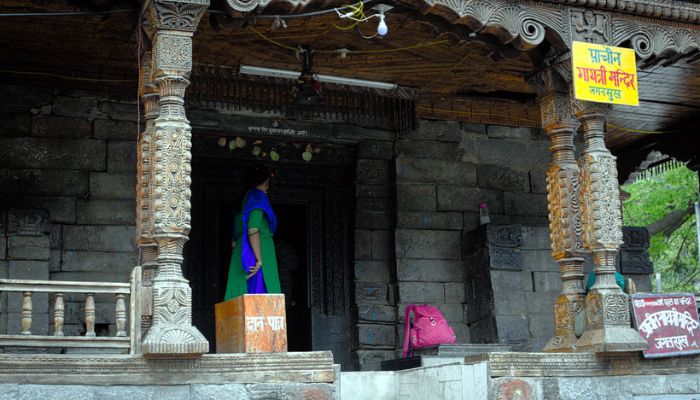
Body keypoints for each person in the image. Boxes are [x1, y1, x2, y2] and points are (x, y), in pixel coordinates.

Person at [224, 164, 282, 300]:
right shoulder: (258, 197)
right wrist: (259, 260)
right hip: (258, 251)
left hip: (242, 251)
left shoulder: (244, 200)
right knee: (260, 296)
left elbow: (235, 237)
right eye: (267, 183)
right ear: (262, 181)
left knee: (241, 296)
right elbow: (253, 228)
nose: (267, 187)